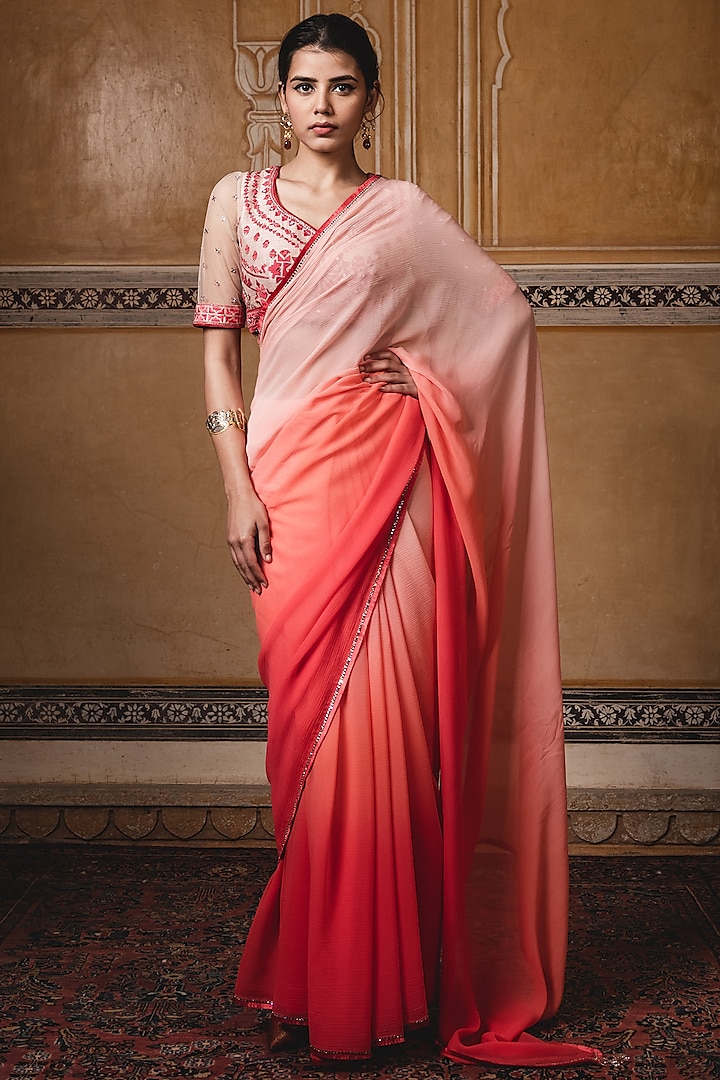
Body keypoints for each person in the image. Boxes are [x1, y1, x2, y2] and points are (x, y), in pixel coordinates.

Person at [194, 12, 601, 1069]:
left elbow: (500, 321)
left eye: (342, 87)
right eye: (302, 87)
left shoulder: (403, 214)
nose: (320, 106)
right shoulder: (235, 203)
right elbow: (217, 361)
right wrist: (237, 487)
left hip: (384, 498)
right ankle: (319, 978)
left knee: (383, 744)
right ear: (277, 97)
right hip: (282, 486)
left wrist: (418, 379)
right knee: (310, 747)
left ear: (371, 100)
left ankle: (382, 990)